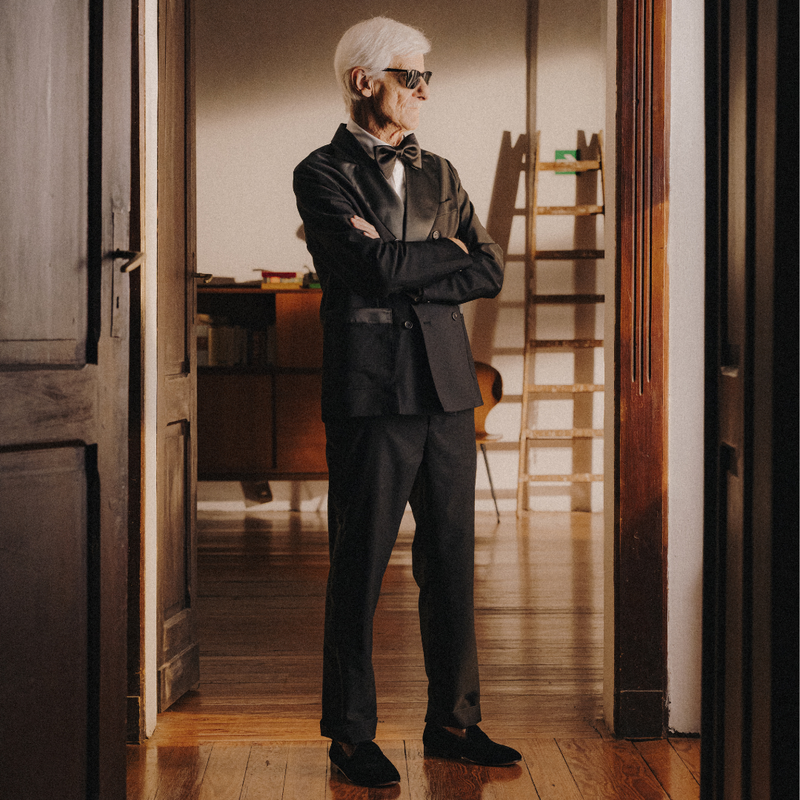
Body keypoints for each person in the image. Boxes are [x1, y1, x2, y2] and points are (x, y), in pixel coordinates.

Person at [293, 16, 520, 788]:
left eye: (428, 76)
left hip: (448, 390)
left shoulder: (442, 173)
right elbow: (370, 269)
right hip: (372, 392)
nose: (425, 89)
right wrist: (437, 255)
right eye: (411, 75)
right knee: (359, 565)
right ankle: (351, 735)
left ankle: (454, 721)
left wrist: (409, 259)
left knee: (451, 562)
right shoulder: (321, 173)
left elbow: (488, 269)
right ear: (366, 81)